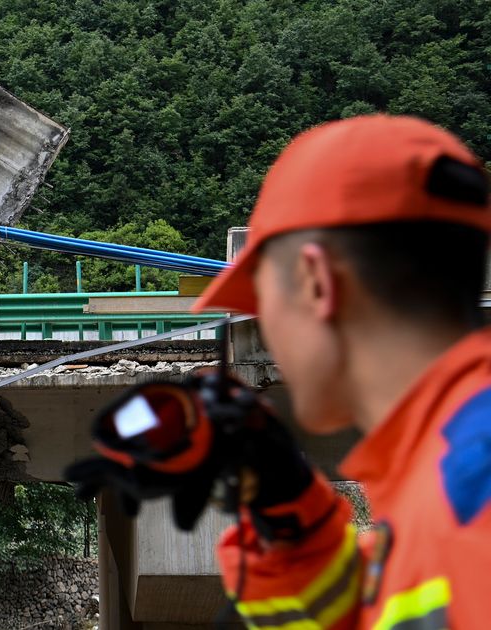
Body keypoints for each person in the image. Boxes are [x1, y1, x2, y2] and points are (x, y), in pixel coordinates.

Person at [69, 115, 491, 629]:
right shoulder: (442, 477)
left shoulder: (470, 482)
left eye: (262, 304)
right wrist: (287, 509)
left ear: (317, 283)